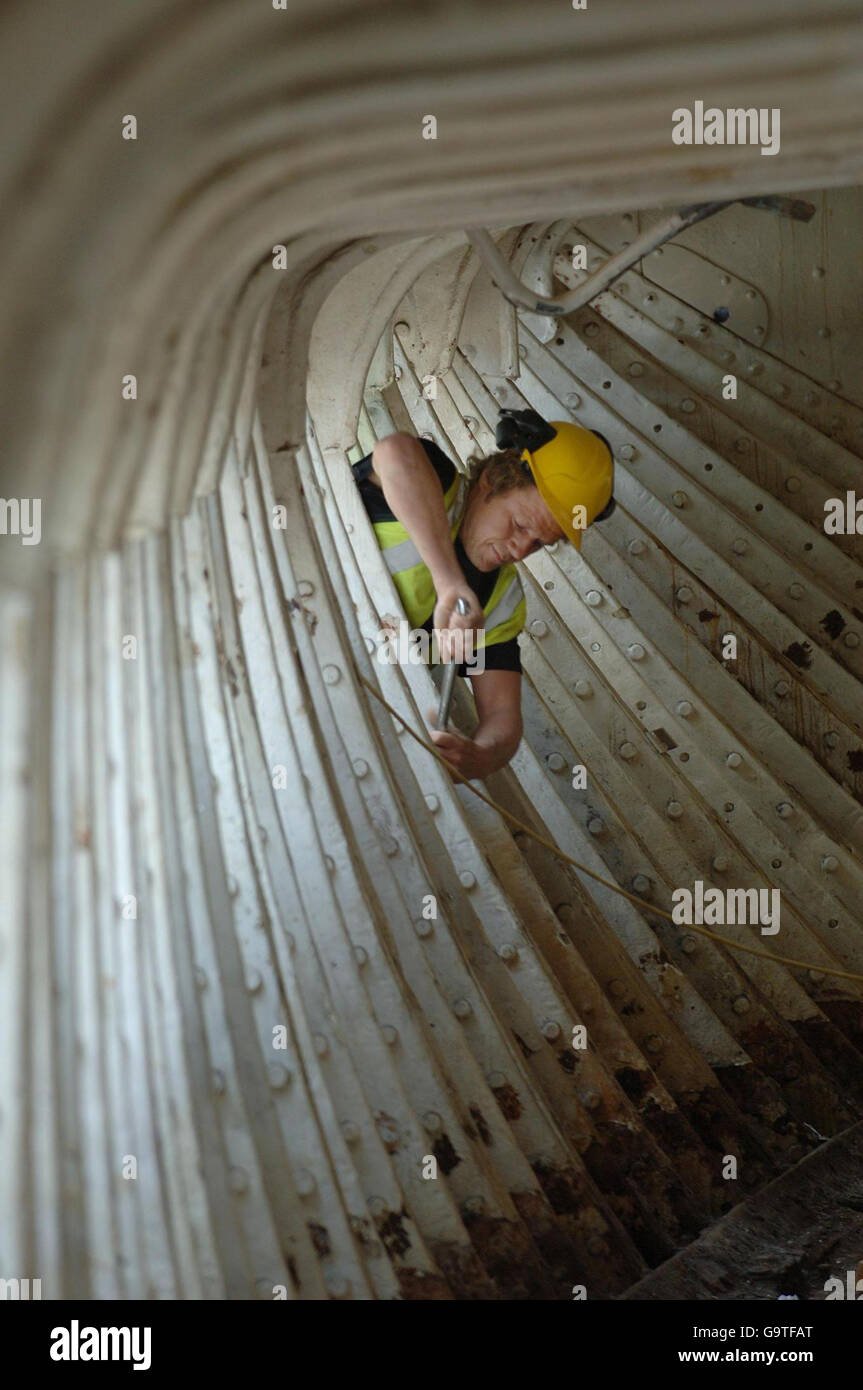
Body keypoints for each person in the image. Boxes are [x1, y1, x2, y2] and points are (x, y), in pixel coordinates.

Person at [352, 408, 615, 780]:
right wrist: (449, 583)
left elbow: (503, 717)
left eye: (539, 543)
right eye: (520, 524)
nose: (520, 550)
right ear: (491, 480)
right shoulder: (438, 484)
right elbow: (395, 452)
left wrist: (481, 757)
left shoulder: (500, 600)